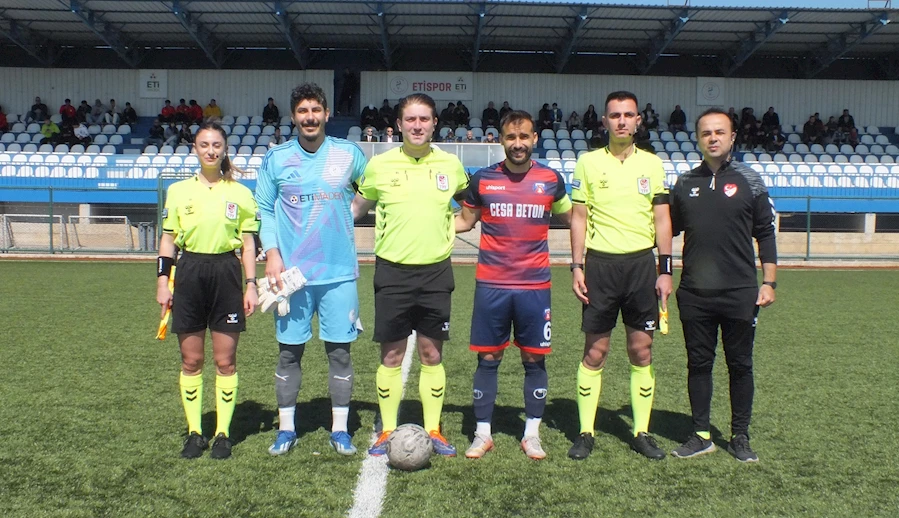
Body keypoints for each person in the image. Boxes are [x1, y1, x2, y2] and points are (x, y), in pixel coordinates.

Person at [351, 93, 469, 458]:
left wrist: (449, 227)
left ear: (435, 124)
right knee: (392, 355)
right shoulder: (379, 166)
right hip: (392, 272)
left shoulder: (451, 165)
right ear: (399, 125)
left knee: (432, 353)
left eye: (424, 119)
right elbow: (355, 209)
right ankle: (387, 430)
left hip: (436, 273)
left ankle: (433, 429)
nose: (417, 126)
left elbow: (470, 210)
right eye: (411, 120)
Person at [255, 82, 368, 456]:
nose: (310, 117)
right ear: (293, 117)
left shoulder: (348, 154)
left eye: (316, 110)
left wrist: (354, 211)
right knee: (289, 353)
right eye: (302, 111)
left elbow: (374, 188)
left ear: (326, 113)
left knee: (340, 353)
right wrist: (272, 253)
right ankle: (286, 429)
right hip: (292, 278)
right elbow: (265, 209)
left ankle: (340, 430)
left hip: (338, 274)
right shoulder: (276, 159)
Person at [455, 110, 572, 460]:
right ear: (501, 140)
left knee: (534, 358)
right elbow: (464, 221)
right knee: (488, 357)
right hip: (491, 284)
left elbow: (573, 217)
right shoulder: (483, 180)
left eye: (523, 137)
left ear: (534, 139)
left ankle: (531, 434)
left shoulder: (551, 179)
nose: (517, 143)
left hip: (535, 285)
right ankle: (482, 433)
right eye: (511, 137)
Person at [568, 90, 673, 461]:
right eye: (615, 115)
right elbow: (578, 218)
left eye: (629, 115)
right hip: (600, 266)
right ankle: (585, 432)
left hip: (641, 266)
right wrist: (577, 265)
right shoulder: (587, 163)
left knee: (641, 350)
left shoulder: (653, 165)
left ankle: (641, 432)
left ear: (638, 120)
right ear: (605, 121)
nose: (622, 121)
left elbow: (663, 219)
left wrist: (665, 269)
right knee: (595, 351)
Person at [668, 108, 777, 463]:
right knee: (698, 364)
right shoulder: (684, 183)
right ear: (698, 139)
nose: (712, 138)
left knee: (740, 365)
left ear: (732, 137)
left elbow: (765, 233)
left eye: (719, 132)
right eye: (706, 133)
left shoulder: (751, 181)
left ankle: (740, 436)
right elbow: (667, 231)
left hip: (740, 292)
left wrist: (769, 281)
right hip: (695, 293)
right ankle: (701, 435)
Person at [156, 119, 259, 460]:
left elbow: (248, 244)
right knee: (191, 359)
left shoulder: (241, 193)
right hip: (189, 272)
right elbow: (168, 240)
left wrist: (251, 285)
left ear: (225, 149)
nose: (211, 151)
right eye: (204, 145)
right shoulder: (178, 191)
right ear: (195, 149)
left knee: (225, 360)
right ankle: (195, 432)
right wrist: (162, 281)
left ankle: (223, 434)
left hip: (226, 273)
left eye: (216, 145)